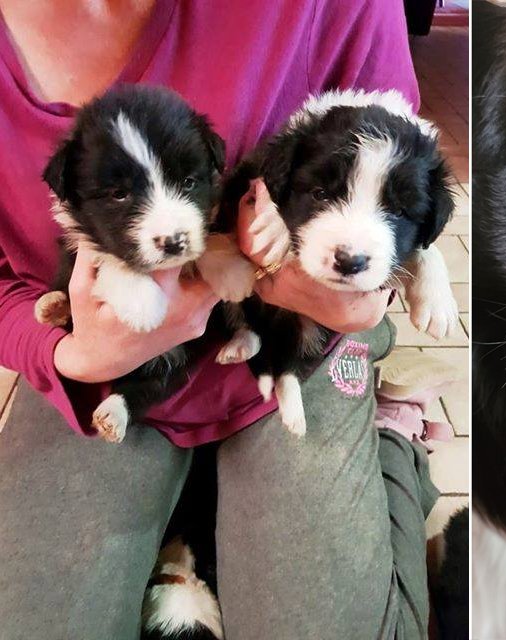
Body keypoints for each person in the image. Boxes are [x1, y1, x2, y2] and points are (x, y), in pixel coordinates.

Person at [0, 1, 438, 638]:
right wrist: (69, 357)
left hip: (298, 336)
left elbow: (403, 189)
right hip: (105, 361)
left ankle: (394, 441)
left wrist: (357, 295)